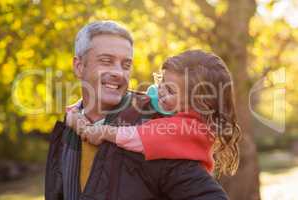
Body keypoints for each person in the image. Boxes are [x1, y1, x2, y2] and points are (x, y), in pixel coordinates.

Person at [45, 20, 229, 200]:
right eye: (106, 61)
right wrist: (73, 118)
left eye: (126, 65)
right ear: (79, 66)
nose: (118, 72)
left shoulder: (158, 127)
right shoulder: (67, 128)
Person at [66, 49, 241, 176]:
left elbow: (137, 137)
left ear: (199, 103)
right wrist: (77, 109)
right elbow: (134, 98)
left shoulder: (190, 129)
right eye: (162, 82)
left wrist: (103, 131)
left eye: (171, 90)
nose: (162, 91)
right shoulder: (171, 105)